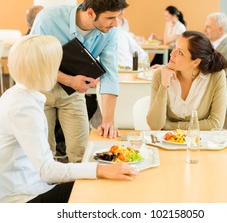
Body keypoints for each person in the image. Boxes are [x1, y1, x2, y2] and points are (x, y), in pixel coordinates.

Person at [0, 35, 139, 203]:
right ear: (45, 69)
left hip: (33, 185)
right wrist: (100, 170)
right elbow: (47, 170)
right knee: (102, 188)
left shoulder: (16, 95)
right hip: (24, 198)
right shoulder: (24, 108)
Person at [30, 0, 128, 163]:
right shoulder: (48, 19)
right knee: (43, 153)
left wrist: (108, 120)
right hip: (40, 90)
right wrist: (69, 80)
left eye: (118, 16)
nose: (115, 24)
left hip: (73, 93)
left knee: (83, 154)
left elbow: (110, 74)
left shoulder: (110, 32)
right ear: (90, 12)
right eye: (110, 18)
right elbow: (33, 61)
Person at [147, 30, 227, 131]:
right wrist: (164, 85)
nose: (172, 54)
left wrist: (169, 126)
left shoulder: (216, 76)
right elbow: (155, 126)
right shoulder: (160, 75)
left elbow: (215, 124)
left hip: (200, 143)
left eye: (180, 52)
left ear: (196, 62)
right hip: (167, 143)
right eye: (174, 47)